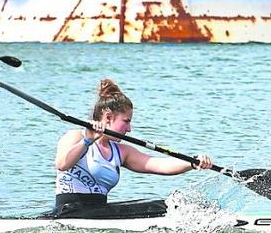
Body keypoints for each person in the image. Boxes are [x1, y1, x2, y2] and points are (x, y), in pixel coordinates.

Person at [52, 78, 213, 217]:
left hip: (98, 211)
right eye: (126, 121)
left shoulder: (121, 151)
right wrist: (88, 140)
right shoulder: (75, 136)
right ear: (108, 117)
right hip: (68, 211)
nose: (129, 129)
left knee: (171, 204)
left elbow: (159, 164)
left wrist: (192, 162)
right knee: (165, 207)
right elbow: (62, 164)